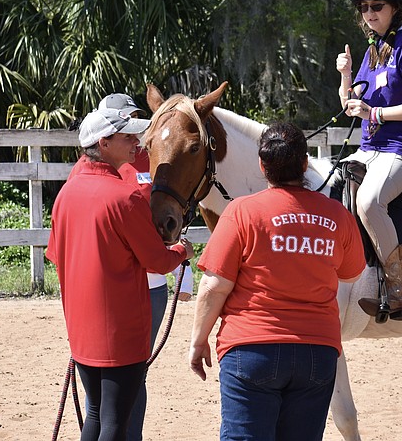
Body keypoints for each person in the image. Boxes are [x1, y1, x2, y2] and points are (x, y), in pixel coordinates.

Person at [189, 122, 365, 441]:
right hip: (317, 352)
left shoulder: (241, 212)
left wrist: (198, 341)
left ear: (262, 166)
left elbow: (214, 286)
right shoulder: (337, 214)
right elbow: (351, 274)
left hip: (251, 349)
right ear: (305, 163)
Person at [48, 107, 194, 441]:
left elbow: (58, 255)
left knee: (96, 414)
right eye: (127, 137)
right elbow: (158, 261)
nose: (135, 143)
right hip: (121, 329)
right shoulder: (124, 197)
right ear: (104, 143)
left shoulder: (66, 193)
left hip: (82, 328)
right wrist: (183, 250)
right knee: (116, 421)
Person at [335, 0, 402, 321]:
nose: (369, 13)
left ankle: (398, 290)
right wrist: (346, 77)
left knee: (370, 202)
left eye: (377, 5)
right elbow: (351, 102)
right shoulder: (373, 51)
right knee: (328, 189)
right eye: (363, 7)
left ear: (396, 8)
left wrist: (376, 112)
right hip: (369, 149)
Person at [99, 93, 195, 441]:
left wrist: (185, 272)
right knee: (109, 376)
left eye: (135, 120)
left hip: (152, 282)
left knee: (133, 373)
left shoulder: (155, 154)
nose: (134, 133)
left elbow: (174, 211)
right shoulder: (102, 167)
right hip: (112, 284)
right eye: (126, 124)